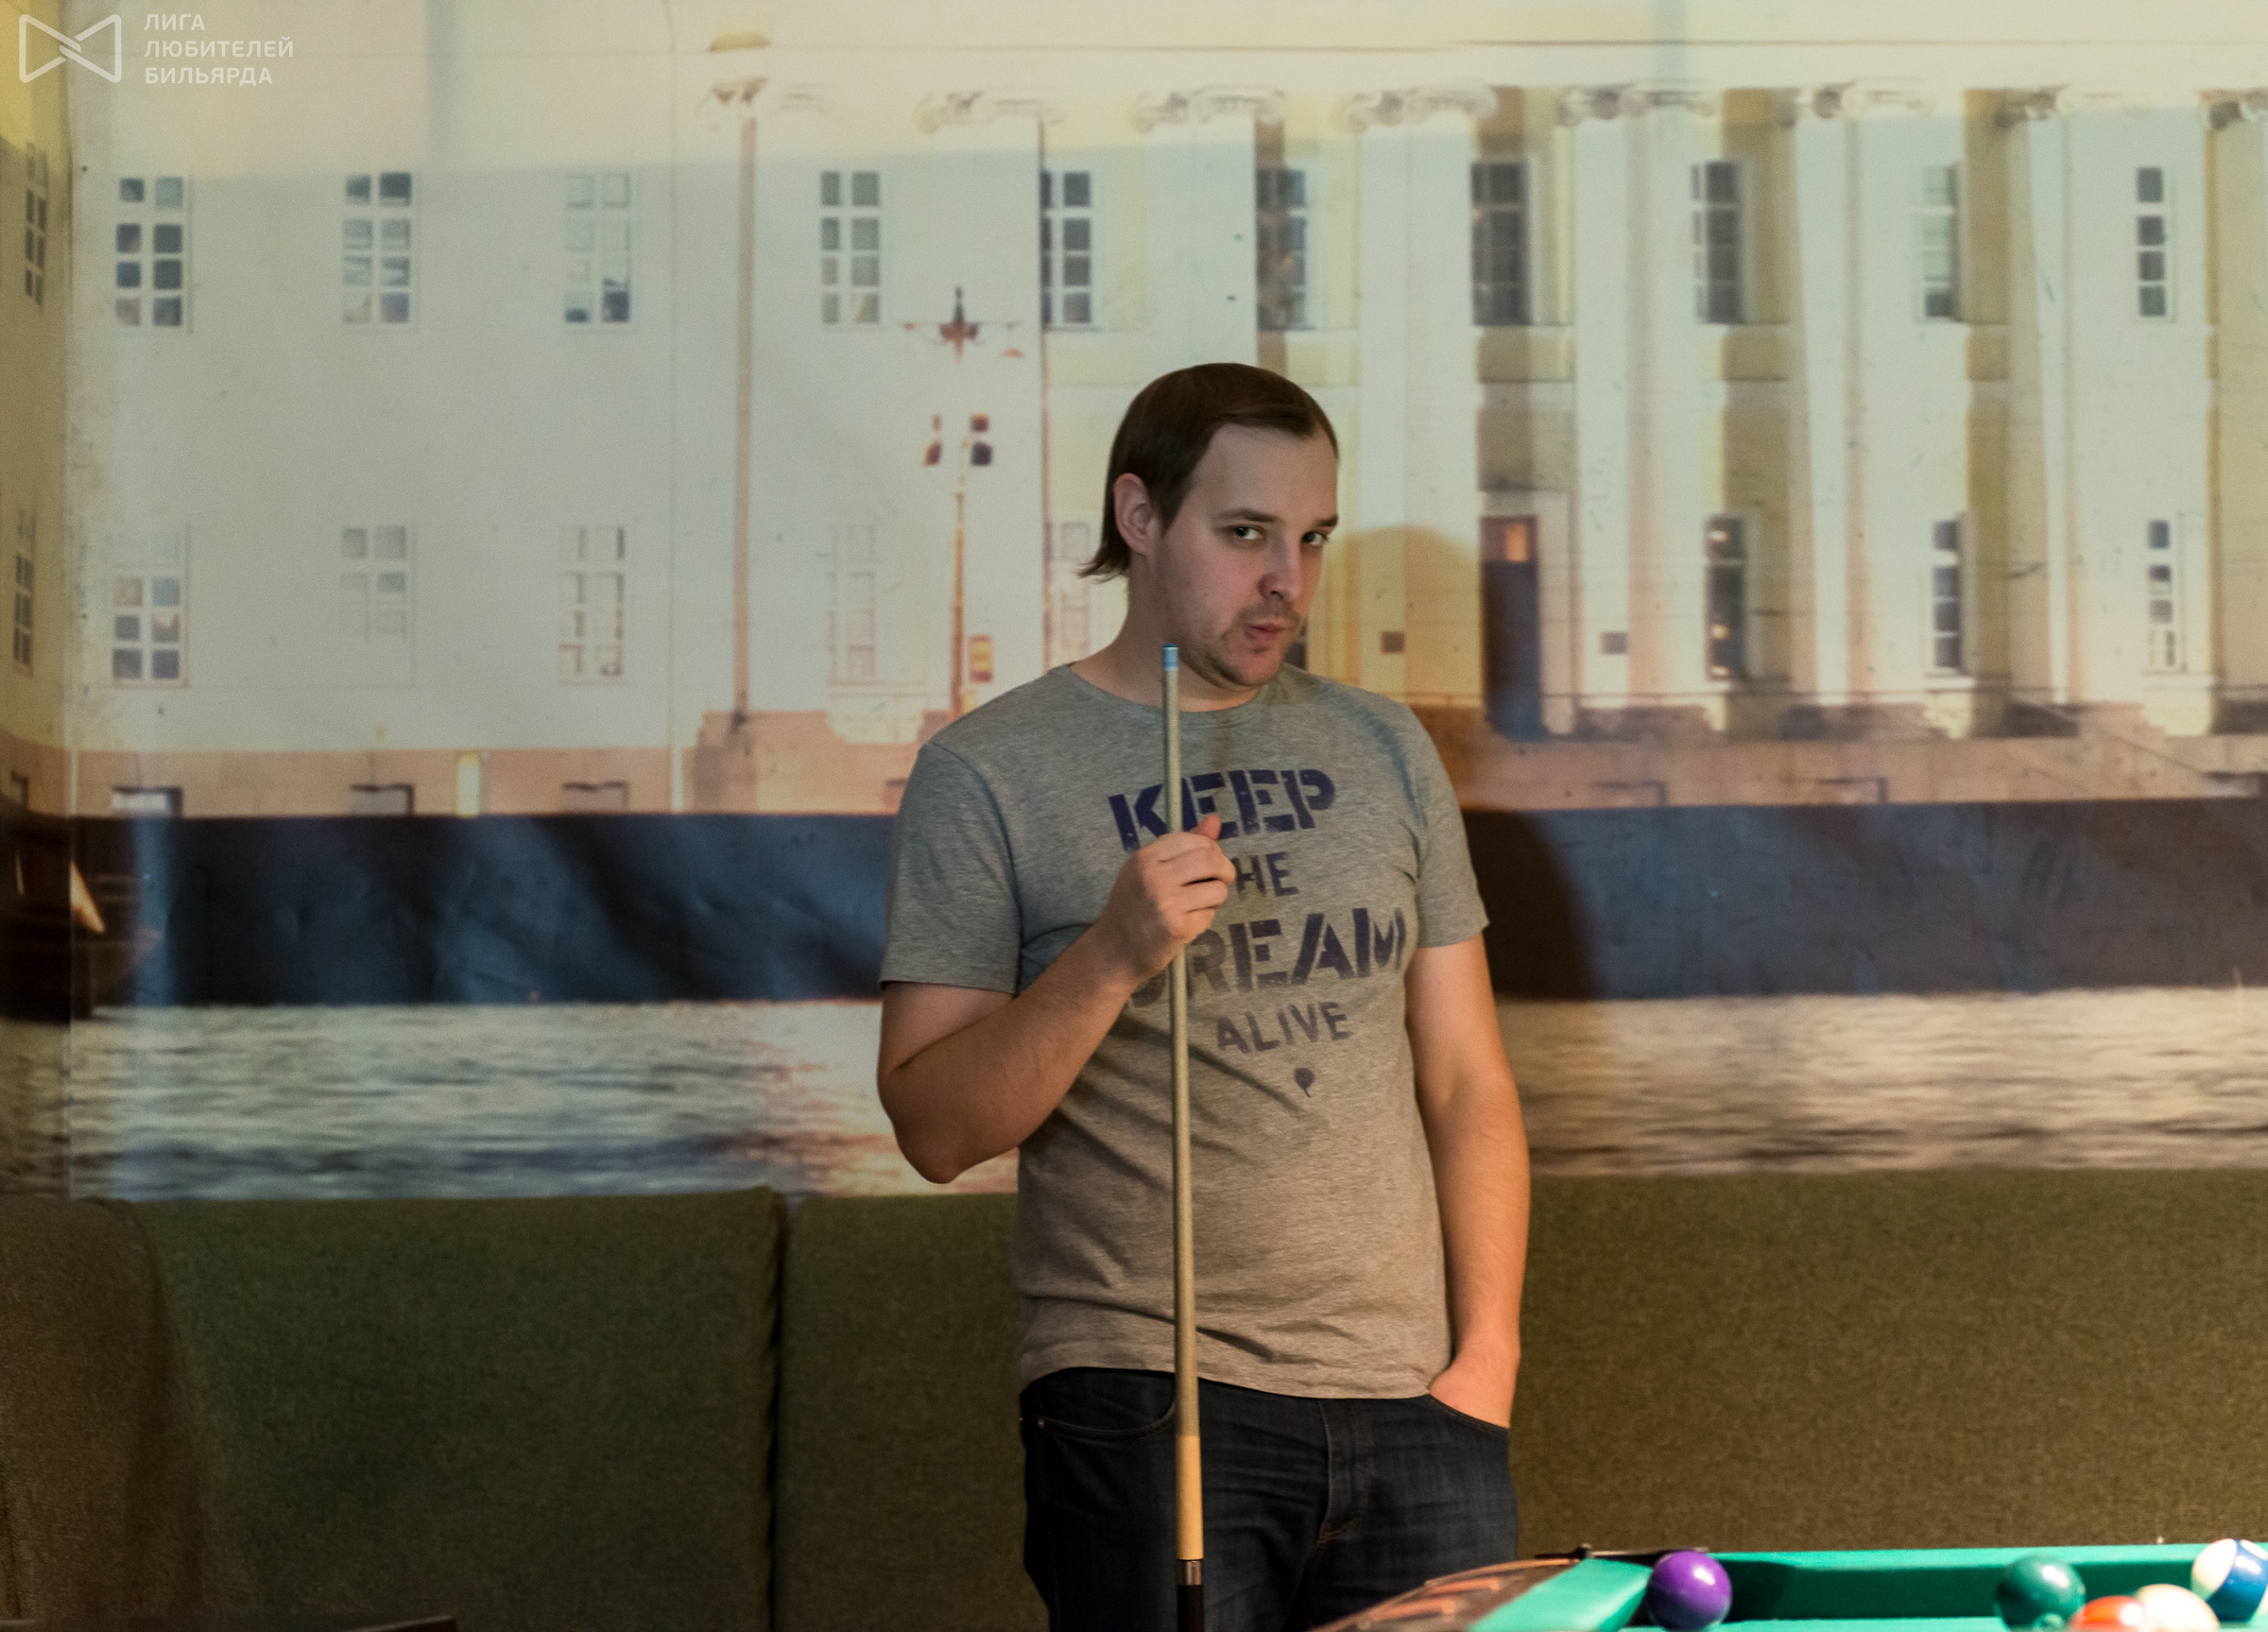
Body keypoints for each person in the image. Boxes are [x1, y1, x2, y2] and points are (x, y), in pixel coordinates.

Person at [877, 363, 1530, 1631]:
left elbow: (1466, 1079)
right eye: (1244, 534)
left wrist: (1484, 1362)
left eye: (1313, 538)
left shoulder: (1386, 747)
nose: (1288, 579)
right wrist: (1111, 955)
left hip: (1419, 1408)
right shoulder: (989, 771)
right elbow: (935, 1129)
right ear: (1139, 515)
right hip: (1151, 1399)